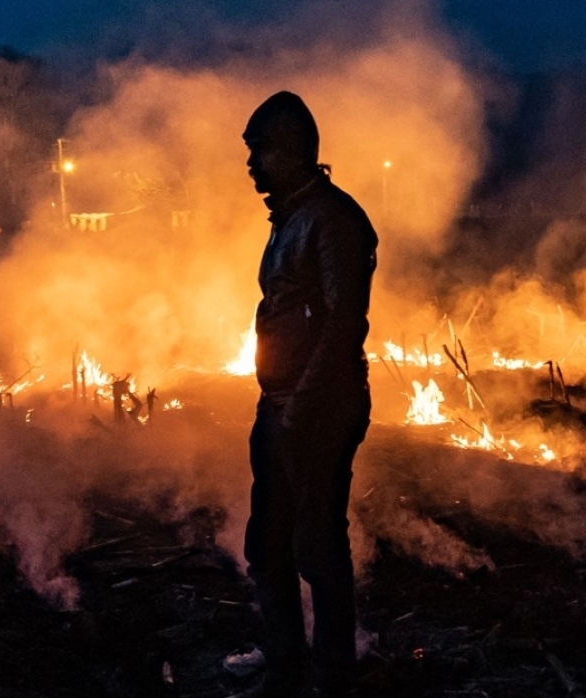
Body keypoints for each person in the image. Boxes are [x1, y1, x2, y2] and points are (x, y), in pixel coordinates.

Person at [241, 91, 378, 697]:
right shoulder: (291, 218)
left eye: (260, 151)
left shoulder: (332, 219)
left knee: (316, 548)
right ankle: (284, 669)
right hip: (282, 403)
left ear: (294, 154)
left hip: (318, 408)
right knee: (268, 546)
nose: (251, 164)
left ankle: (332, 679)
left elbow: (345, 322)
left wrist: (302, 403)